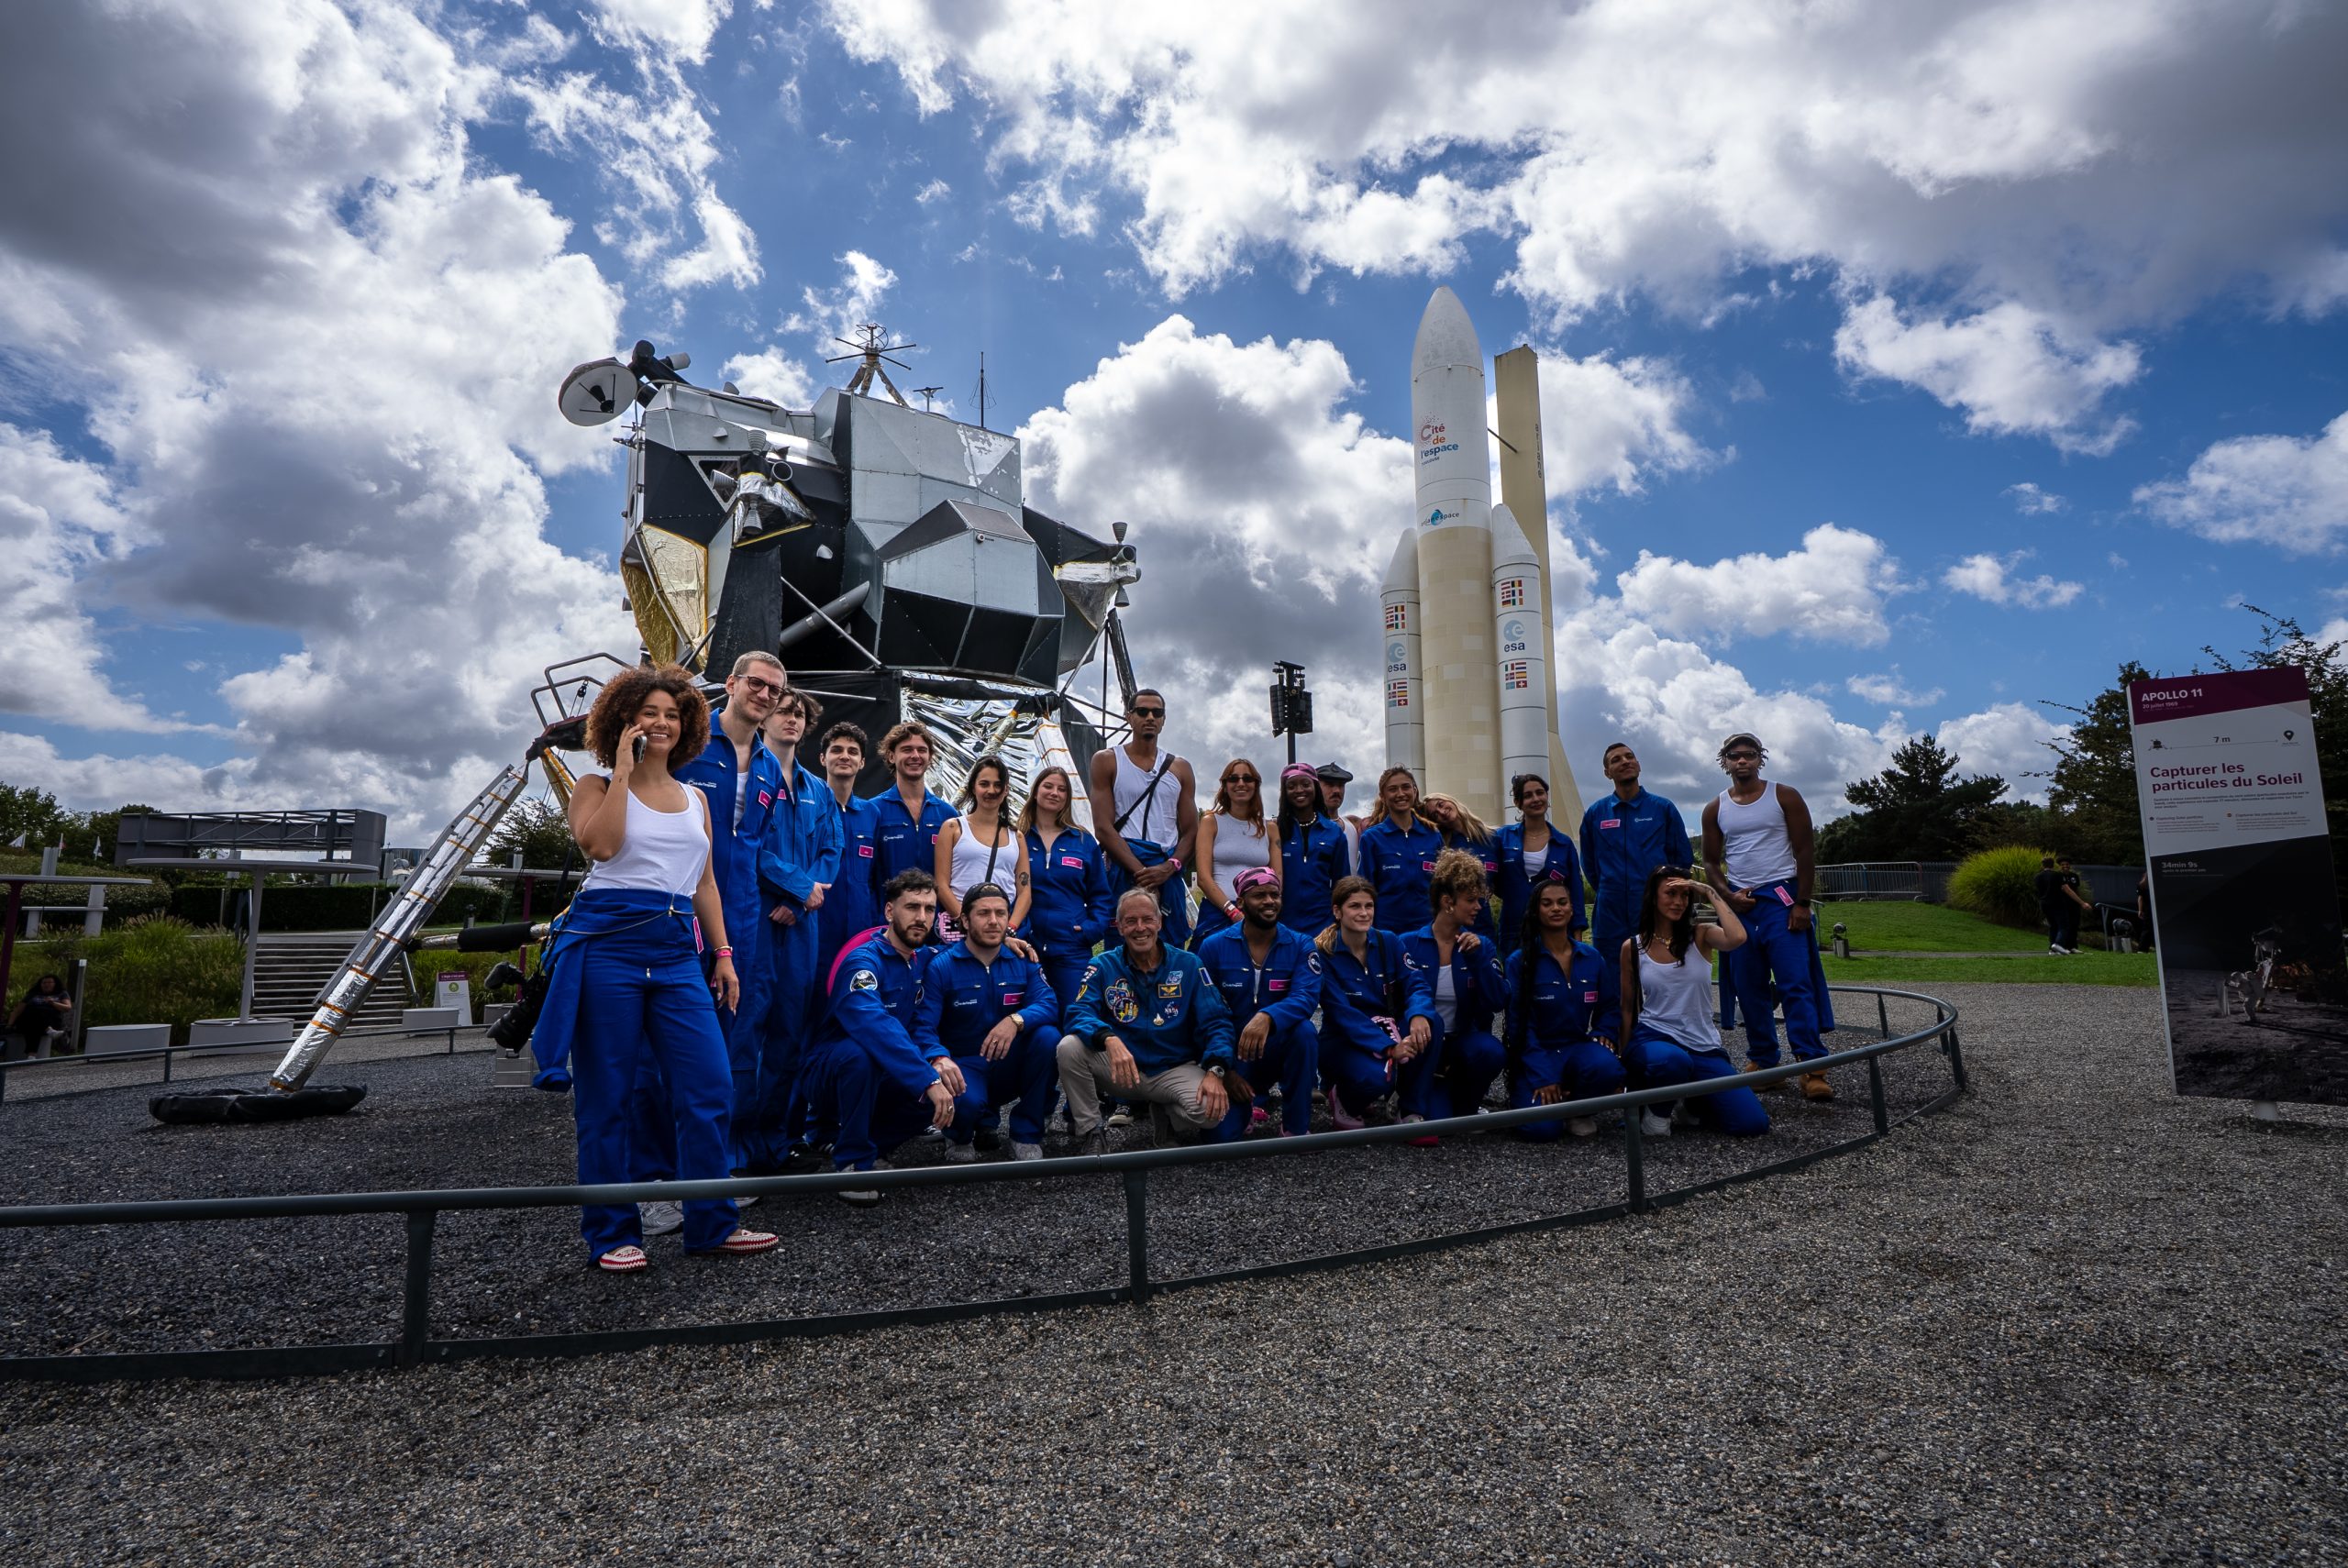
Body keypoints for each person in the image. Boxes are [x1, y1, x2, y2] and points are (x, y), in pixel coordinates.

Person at [529, 662, 778, 1269]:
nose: (661, 722)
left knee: (708, 1085)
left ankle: (711, 1222)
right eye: (649, 713)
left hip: (674, 949)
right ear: (624, 719)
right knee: (607, 1096)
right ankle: (613, 1232)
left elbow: (706, 883)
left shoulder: (695, 799)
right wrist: (620, 768)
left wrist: (722, 955)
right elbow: (602, 846)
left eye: (672, 713)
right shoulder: (593, 785)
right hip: (607, 943)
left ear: (688, 723)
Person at [801, 869, 961, 1205]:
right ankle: (853, 1162)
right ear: (890, 911)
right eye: (912, 907)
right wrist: (926, 1080)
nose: (921, 917)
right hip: (830, 1073)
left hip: (881, 1073)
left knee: (953, 1083)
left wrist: (1006, 942)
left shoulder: (923, 960)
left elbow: (970, 955)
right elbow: (872, 1023)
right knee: (863, 1055)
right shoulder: (863, 961)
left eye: (929, 909)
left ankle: (867, 1145)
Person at [1700, 732, 1834, 1101]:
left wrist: (1802, 902)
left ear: (1761, 759)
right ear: (1724, 761)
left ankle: (1811, 1065)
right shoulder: (1716, 808)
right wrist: (1727, 896)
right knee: (1749, 988)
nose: (1742, 761)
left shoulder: (1784, 795)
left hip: (1782, 898)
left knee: (1795, 983)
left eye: (1750, 755)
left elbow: (1805, 851)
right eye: (1734, 755)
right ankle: (1765, 1062)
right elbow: (1711, 861)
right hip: (1742, 906)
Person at [1059, 888, 1237, 1155]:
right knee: (1068, 1048)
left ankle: (1166, 1114)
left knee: (1211, 1113)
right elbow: (1077, 1012)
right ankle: (1092, 1131)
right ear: (1119, 927)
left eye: (1147, 919)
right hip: (1123, 1070)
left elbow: (1218, 1022)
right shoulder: (1102, 965)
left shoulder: (1189, 964)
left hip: (1172, 1067)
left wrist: (1215, 1071)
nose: (1140, 928)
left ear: (1160, 922)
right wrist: (1108, 1038)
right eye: (1130, 921)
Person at [748, 689, 843, 1169]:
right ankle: (736, 1149)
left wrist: (804, 897)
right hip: (758, 917)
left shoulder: (817, 789)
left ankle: (776, 1143)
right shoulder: (751, 777)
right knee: (747, 1034)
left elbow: (831, 850)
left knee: (789, 1034)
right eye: (784, 710)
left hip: (802, 921)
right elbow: (745, 845)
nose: (792, 718)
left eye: (800, 713)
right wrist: (792, 889)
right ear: (764, 717)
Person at [914, 881, 1059, 1163]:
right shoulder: (942, 966)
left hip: (1009, 1065)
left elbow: (1049, 1003)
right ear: (965, 920)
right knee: (964, 1102)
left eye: (1001, 913)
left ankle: (1026, 1134)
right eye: (983, 914)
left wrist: (1016, 1020)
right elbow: (923, 1027)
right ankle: (958, 1136)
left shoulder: (1023, 959)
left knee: (1049, 1038)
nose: (994, 921)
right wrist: (938, 1058)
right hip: (965, 1066)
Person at [1619, 866, 1768, 1137]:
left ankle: (1692, 1102)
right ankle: (1657, 1115)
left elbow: (1738, 937)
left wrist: (1709, 891)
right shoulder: (1633, 947)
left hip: (1701, 1045)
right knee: (1672, 1061)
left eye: (1685, 895)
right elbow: (1627, 1007)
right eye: (1670, 894)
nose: (1678, 902)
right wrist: (1624, 1062)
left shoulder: (1700, 935)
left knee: (1752, 1124)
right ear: (1653, 897)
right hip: (1655, 1039)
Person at [1196, 866, 1323, 1137]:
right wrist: (1225, 1072)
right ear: (1240, 902)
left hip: (1276, 1047)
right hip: (1232, 1055)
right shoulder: (1213, 946)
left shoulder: (1301, 944)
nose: (1269, 901)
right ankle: (1244, 1109)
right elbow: (1203, 1013)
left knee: (1305, 1032)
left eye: (1274, 894)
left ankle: (1296, 1127)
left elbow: (1306, 997)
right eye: (1259, 895)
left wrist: (1267, 1017)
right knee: (1221, 1139)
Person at [1578, 741, 1692, 1037]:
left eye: (1630, 757)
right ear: (1607, 772)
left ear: (1639, 765)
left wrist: (1663, 898)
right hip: (1611, 912)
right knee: (1612, 981)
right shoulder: (1595, 814)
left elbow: (1681, 861)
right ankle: (1615, 1045)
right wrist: (1610, 888)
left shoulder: (1663, 809)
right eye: (1616, 760)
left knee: (1663, 977)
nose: (1625, 762)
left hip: (1655, 912)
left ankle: (1666, 1042)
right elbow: (1590, 864)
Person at [1398, 848, 1509, 1143]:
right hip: (1420, 1044)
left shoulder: (1480, 946)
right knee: (1437, 1126)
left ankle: (1465, 1106)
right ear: (1448, 902)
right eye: (1470, 900)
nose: (1478, 907)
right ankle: (1406, 1099)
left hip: (1460, 1043)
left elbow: (1498, 1001)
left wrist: (1478, 961)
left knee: (1491, 1051)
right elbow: (1398, 1000)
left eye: (1479, 900)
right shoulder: (1407, 943)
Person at [1313, 876, 1437, 1132]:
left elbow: (1415, 982)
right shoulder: (1324, 954)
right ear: (1337, 911)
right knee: (1375, 1079)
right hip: (1343, 1039)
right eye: (1355, 906)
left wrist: (1419, 1014)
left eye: (1368, 906)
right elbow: (1341, 1013)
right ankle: (1345, 1097)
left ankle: (1410, 1107)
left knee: (1431, 1025)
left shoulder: (1388, 941)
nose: (1363, 913)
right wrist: (1390, 1048)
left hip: (1388, 1029)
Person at [1505, 880, 1621, 1139]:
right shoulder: (1520, 961)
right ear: (1536, 911)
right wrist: (1542, 1076)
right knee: (1542, 1130)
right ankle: (1540, 1097)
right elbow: (1519, 1027)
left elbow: (1610, 1006)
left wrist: (1604, 1032)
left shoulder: (1592, 958)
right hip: (1538, 1053)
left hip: (1576, 1048)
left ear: (1572, 910)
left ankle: (1577, 1108)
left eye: (1562, 902)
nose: (1556, 908)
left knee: (1608, 1067)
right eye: (1547, 904)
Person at [1089, 689, 1200, 946]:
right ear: (1129, 716)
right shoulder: (1107, 760)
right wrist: (1142, 872)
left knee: (1169, 951)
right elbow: (1103, 827)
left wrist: (1169, 867)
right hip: (1126, 866)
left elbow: (1191, 831)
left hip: (1165, 867)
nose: (1150, 717)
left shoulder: (1180, 768)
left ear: (1163, 720)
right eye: (1142, 711)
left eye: (1157, 712)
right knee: (1123, 945)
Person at [1019, 765, 1113, 1022]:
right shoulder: (1017, 837)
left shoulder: (1082, 841)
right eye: (1048, 786)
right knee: (1032, 1019)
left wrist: (1091, 930)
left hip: (1071, 947)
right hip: (1028, 947)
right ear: (1036, 791)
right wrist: (1017, 933)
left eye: (1062, 789)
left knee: (1074, 1016)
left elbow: (1101, 895)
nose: (1054, 793)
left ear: (1067, 798)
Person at [935, 754, 1032, 937]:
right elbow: (941, 884)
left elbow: (1024, 892)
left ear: (1006, 790)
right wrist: (967, 923)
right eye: (984, 784)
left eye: (997, 785)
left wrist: (1009, 928)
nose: (991, 790)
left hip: (1001, 930)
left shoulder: (1016, 837)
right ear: (973, 787)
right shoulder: (953, 828)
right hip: (961, 930)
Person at [814, 720, 882, 977]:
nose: (845, 756)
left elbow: (875, 877)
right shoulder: (811, 806)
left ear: (862, 762)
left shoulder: (871, 813)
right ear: (823, 758)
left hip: (861, 930)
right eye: (837, 750)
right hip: (817, 925)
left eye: (852, 752)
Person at [1493, 772, 1584, 951]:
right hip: (1514, 930)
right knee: (1515, 976)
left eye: (1540, 793)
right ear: (1518, 803)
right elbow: (1491, 878)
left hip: (1554, 931)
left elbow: (1576, 891)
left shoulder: (1563, 843)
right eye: (1528, 795)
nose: (1536, 799)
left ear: (1547, 797)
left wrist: (1577, 937)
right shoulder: (1502, 838)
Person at [1191, 757, 1272, 947]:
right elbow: (1203, 877)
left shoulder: (1271, 828)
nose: (1241, 783)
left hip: (1258, 913)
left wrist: (1261, 910)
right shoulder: (1210, 822)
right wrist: (1233, 912)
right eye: (1233, 779)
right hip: (1218, 912)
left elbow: (1277, 878)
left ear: (1256, 785)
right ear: (1225, 786)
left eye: (1247, 778)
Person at [870, 721, 957, 891]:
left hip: (934, 916)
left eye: (922, 750)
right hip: (889, 916)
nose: (915, 755)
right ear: (891, 756)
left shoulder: (948, 814)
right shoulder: (873, 811)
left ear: (930, 757)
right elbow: (865, 875)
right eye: (907, 749)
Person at [1357, 766, 1444, 933]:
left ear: (1415, 791)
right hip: (1387, 931)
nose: (1400, 794)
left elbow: (1444, 885)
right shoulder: (1372, 838)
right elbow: (1365, 889)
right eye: (1392, 789)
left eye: (1406, 787)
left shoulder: (1433, 835)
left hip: (1428, 930)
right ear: (1383, 796)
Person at [1275, 763, 1352, 934]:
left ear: (1315, 787)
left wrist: (1338, 921)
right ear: (1284, 792)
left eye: (1305, 784)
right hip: (1282, 925)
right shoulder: (1276, 831)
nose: (1299, 790)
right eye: (1291, 786)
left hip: (1323, 924)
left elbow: (1342, 883)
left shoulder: (1334, 833)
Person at [1421, 792, 1501, 940]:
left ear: (1451, 800)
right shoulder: (1444, 848)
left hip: (1484, 922)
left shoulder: (1494, 837)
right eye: (1434, 815)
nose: (1441, 811)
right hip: (1456, 928)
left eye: (1441, 804)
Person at [5, 974, 72, 1061]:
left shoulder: (61, 993)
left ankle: (31, 1055)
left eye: (49, 982)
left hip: (51, 1020)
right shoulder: (33, 994)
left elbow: (67, 1008)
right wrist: (9, 1025)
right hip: (29, 1021)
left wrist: (53, 1003)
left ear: (55, 983)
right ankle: (48, 1032)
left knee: (33, 1025)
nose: (46, 984)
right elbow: (17, 1011)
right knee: (31, 1011)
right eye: (44, 983)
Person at [1317, 763, 1365, 871]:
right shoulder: (1304, 827)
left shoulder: (1355, 825)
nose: (1337, 791)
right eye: (1330, 784)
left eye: (1340, 785)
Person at [2049, 856, 2095, 955]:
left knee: (2074, 925)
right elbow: (2066, 890)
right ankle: (2060, 946)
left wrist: (2080, 902)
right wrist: (2082, 903)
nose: (2065, 866)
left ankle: (2072, 947)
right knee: (2063, 926)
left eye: (2067, 865)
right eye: (2062, 865)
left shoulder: (2074, 876)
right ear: (2059, 866)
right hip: (2062, 904)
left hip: (2074, 904)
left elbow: (2076, 890)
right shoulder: (2057, 876)